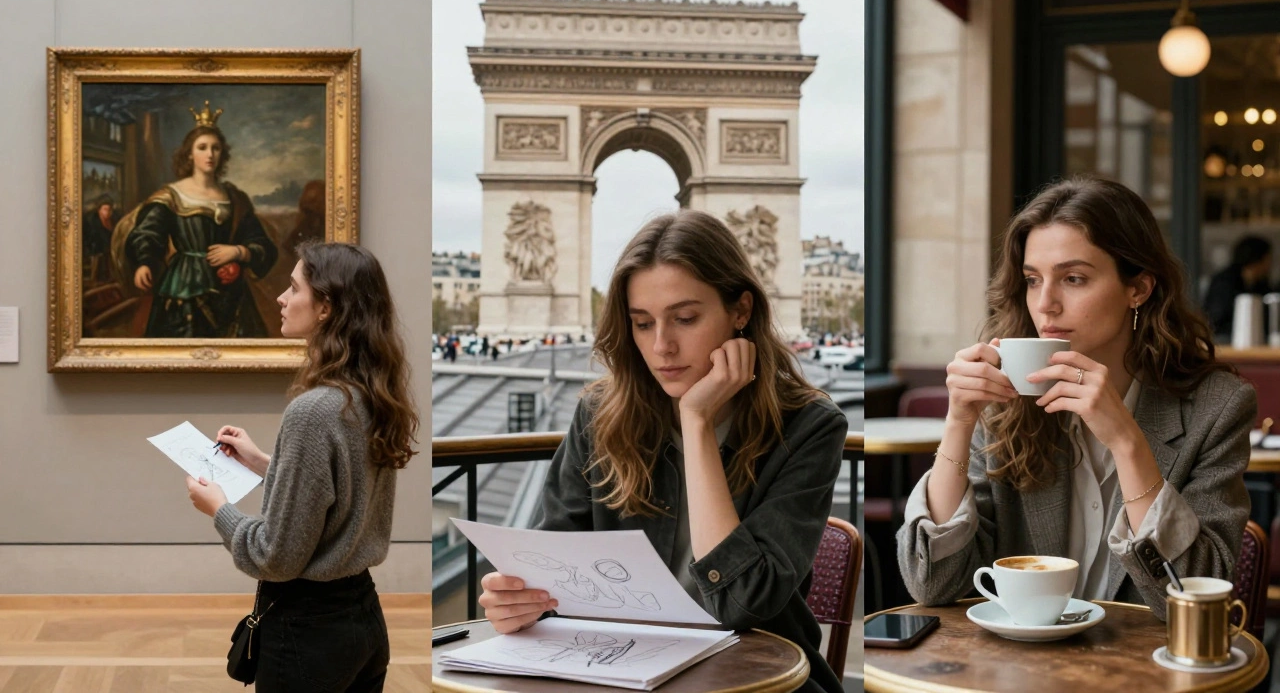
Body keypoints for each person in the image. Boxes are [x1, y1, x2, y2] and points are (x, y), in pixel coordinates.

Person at [477, 211, 849, 693]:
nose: (661, 347)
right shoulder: (598, 413)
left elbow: (743, 600)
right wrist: (519, 601)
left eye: (685, 318)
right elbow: (554, 567)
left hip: (755, 680)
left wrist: (695, 422)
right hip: (617, 671)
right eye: (641, 323)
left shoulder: (811, 427)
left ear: (741, 311)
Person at [897, 177, 1253, 620]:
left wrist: (1127, 442)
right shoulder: (1008, 398)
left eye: (1074, 278)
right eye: (1032, 280)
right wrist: (958, 423)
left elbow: (1193, 600)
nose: (1045, 303)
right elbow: (933, 584)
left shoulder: (1216, 408)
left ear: (1138, 288)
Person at [184, 242, 419, 691]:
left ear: (326, 306)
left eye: (293, 288)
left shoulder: (313, 411)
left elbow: (275, 557)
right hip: (364, 620)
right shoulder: (371, 396)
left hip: (307, 632)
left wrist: (217, 508)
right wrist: (264, 462)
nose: (280, 298)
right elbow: (339, 495)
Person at [114, 101, 278, 338]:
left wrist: (239, 252)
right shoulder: (171, 196)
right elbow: (148, 234)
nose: (210, 154)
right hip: (183, 287)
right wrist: (145, 262)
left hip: (231, 291)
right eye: (202, 147)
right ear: (189, 154)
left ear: (223, 154)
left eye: (216, 148)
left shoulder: (235, 198)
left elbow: (261, 242)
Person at [1203, 235, 1273, 341]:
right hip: (1223, 342)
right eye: (1268, 258)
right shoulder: (1224, 283)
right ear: (1257, 259)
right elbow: (1214, 320)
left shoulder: (1261, 286)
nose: (1270, 264)